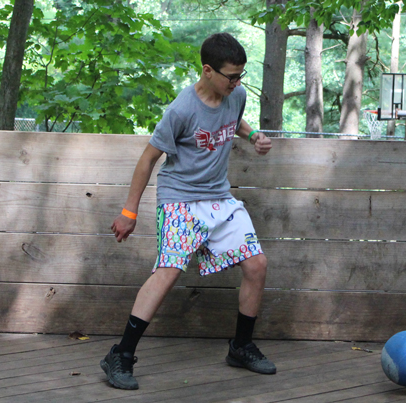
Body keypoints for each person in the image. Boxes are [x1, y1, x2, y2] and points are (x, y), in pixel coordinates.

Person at [100, 32, 275, 390]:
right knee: (168, 271)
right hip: (179, 199)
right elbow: (149, 158)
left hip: (219, 198)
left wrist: (253, 135)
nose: (238, 82)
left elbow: (235, 120)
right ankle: (121, 354)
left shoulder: (235, 95)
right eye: (231, 76)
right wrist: (129, 213)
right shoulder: (181, 109)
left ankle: (240, 347)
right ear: (208, 71)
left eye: (241, 75)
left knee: (257, 264)